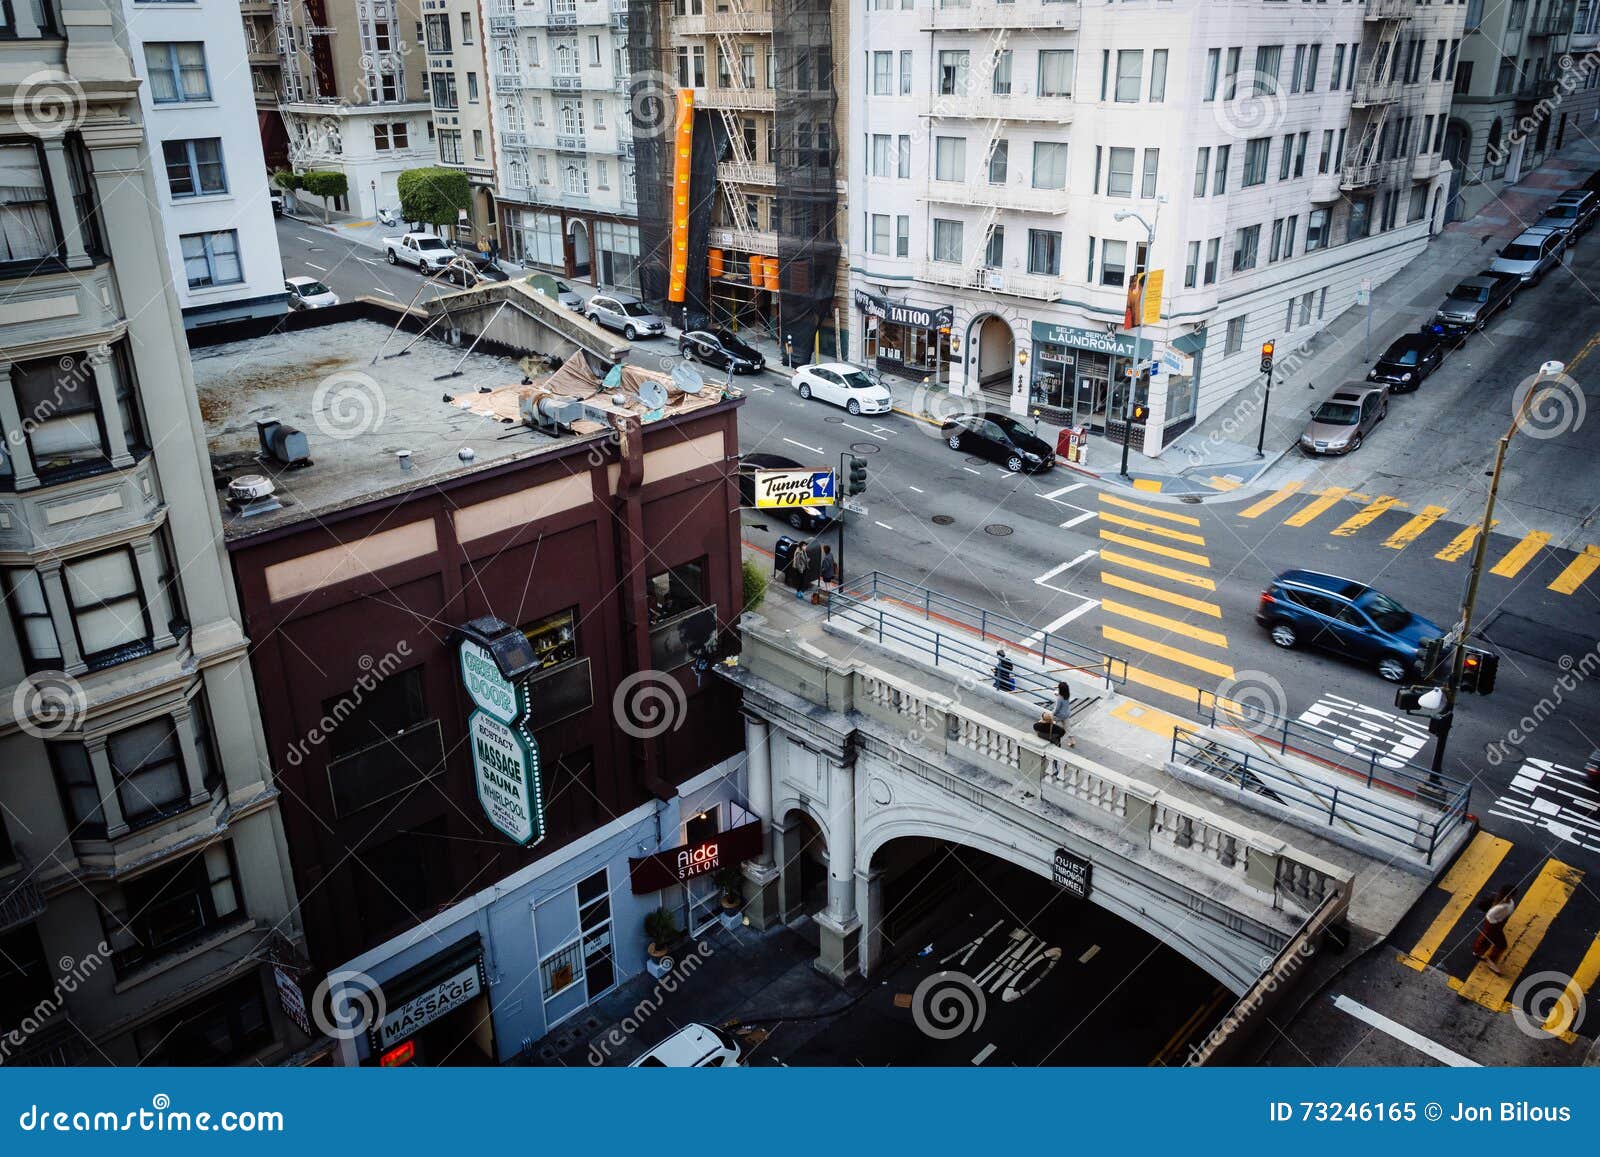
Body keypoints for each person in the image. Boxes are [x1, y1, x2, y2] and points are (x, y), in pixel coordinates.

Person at [1475, 885, 1516, 974]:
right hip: (1494, 925)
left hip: (1497, 923)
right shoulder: (1500, 907)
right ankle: (1491, 960)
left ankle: (1477, 951)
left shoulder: (1507, 903)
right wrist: (1496, 924)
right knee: (1501, 945)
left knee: (1486, 936)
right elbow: (1490, 915)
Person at [1050, 680, 1075, 748]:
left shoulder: (1059, 698)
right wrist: (1058, 695)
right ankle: (1072, 740)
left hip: (1060, 715)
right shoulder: (1067, 695)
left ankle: (1050, 734)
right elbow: (1063, 698)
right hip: (1066, 714)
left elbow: (1057, 708)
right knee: (1068, 728)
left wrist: (1052, 714)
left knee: (1050, 719)